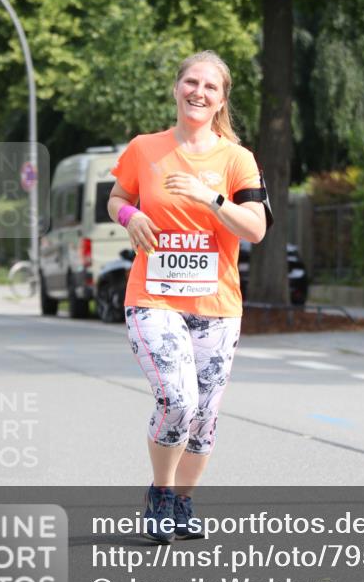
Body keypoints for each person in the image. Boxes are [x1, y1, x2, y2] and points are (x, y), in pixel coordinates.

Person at [107, 50, 268, 543]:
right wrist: (130, 217)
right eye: (191, 82)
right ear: (177, 88)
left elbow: (257, 229)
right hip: (153, 299)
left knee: (205, 415)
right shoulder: (145, 149)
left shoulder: (236, 159)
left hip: (217, 306)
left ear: (222, 100)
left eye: (210, 87)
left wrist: (210, 197)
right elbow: (116, 198)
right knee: (178, 398)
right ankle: (160, 493)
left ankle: (182, 502)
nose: (199, 92)